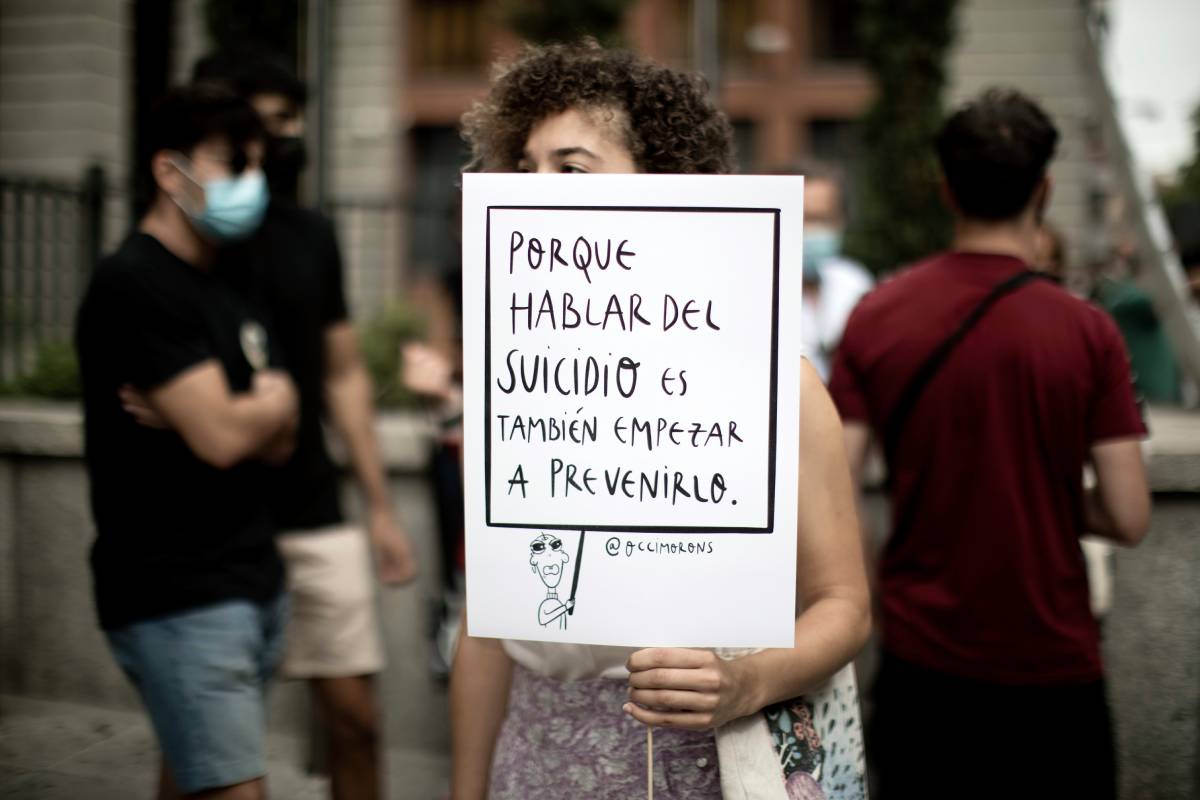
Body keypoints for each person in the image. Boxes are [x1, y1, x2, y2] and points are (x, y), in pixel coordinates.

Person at [449, 42, 871, 800]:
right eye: (525, 169)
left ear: (667, 182)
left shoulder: (776, 381)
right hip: (535, 762)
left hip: (707, 767)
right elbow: (485, 628)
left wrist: (743, 682)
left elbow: (843, 606)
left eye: (570, 169)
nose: (536, 191)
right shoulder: (513, 384)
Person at [829, 88, 1151, 800]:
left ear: (947, 190)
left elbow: (833, 488)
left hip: (922, 665)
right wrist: (1057, 495)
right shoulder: (1088, 330)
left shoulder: (876, 315)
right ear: (1044, 189)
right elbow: (1129, 516)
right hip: (1055, 670)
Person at [185, 49, 419, 800]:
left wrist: (380, 509)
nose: (288, 139)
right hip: (212, 517)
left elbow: (344, 373)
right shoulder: (182, 240)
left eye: (294, 122)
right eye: (273, 121)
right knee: (206, 746)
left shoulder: (311, 234)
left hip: (313, 508)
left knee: (356, 717)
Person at [76, 85, 297, 800]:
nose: (251, 183)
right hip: (180, 595)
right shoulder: (135, 283)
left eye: (258, 164)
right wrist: (255, 408)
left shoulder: (227, 283)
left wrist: (255, 411)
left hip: (252, 580)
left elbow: (287, 432)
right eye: (234, 163)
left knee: (190, 779)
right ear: (170, 173)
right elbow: (229, 439)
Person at [795, 163, 873, 382]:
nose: (810, 230)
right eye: (803, 218)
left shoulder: (854, 282)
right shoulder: (755, 292)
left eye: (823, 219)